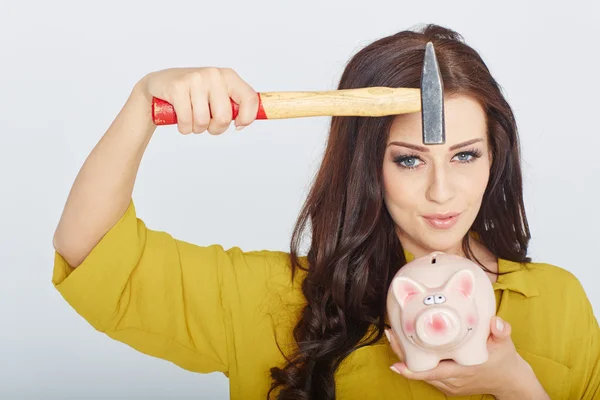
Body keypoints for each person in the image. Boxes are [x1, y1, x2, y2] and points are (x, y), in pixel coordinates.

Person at [51, 24, 599, 400]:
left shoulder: (557, 301)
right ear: (366, 165)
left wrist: (515, 385)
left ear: (493, 157)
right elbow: (90, 249)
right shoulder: (272, 300)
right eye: (408, 160)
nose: (441, 191)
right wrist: (143, 104)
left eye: (464, 155)